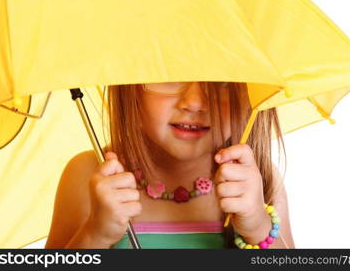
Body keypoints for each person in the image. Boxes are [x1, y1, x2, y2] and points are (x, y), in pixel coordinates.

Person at [45, 82, 295, 249]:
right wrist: (95, 234)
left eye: (221, 82)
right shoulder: (89, 175)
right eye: (170, 75)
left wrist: (258, 227)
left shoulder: (257, 181)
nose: (195, 102)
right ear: (128, 86)